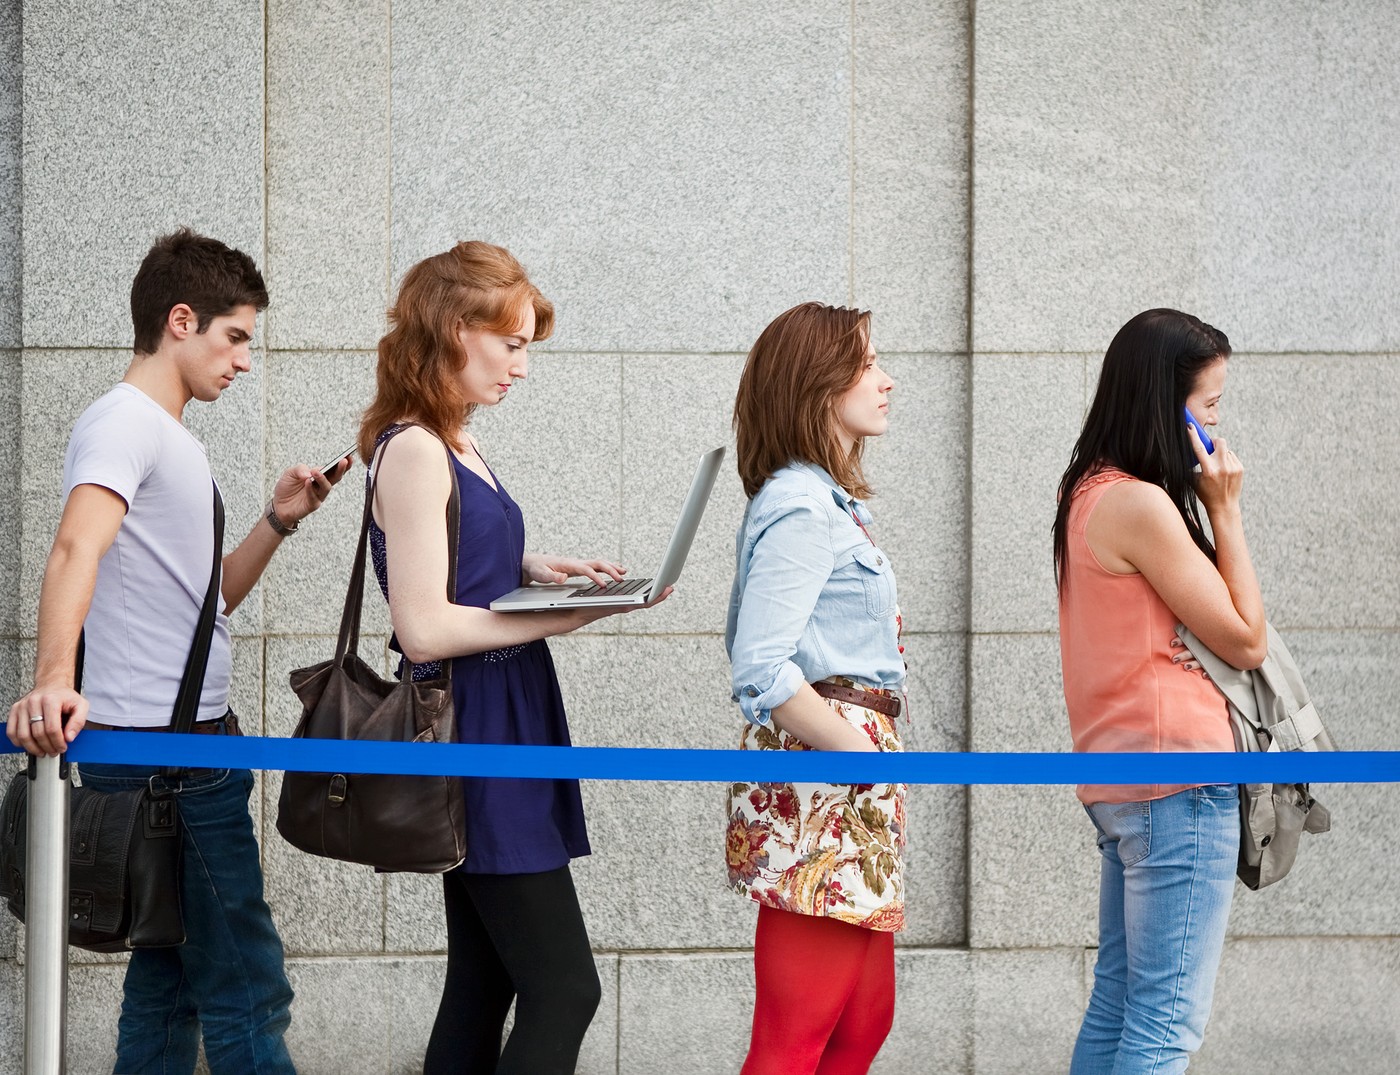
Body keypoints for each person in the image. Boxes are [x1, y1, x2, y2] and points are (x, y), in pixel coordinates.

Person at [6, 227, 348, 1073]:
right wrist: (52, 679)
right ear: (182, 320)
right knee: (244, 981)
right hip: (170, 756)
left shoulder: (166, 436)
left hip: (184, 744)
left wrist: (276, 522)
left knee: (171, 981)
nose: (242, 361)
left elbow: (207, 606)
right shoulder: (125, 422)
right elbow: (74, 546)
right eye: (236, 338)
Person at [360, 240, 664, 1074]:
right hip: (476, 726)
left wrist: (536, 571)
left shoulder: (450, 440)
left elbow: (456, 563)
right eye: (513, 344)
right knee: (566, 988)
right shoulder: (419, 446)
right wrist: (561, 622)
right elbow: (422, 628)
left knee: (485, 979)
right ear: (457, 330)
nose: (522, 368)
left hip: (498, 716)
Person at [1053, 308, 1265, 1073]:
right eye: (1210, 406)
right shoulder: (1140, 504)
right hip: (1182, 779)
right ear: (1163, 403)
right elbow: (1246, 637)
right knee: (1166, 1024)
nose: (1217, 426)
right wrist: (1226, 510)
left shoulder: (1086, 491)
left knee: (1120, 1006)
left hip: (1124, 780)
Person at [724, 302, 906, 1075]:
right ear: (817, 382)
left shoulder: (825, 499)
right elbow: (760, 666)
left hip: (849, 771)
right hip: (828, 769)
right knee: (796, 1039)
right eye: (867, 365)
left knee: (858, 1025)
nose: (886, 380)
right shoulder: (800, 501)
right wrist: (854, 750)